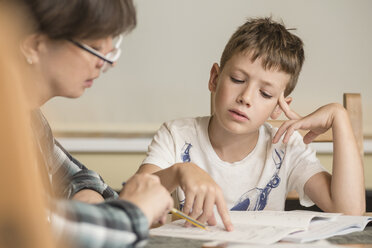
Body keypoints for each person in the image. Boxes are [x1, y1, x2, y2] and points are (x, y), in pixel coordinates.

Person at [137, 17, 365, 231]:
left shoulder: (286, 145)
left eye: (265, 94)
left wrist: (339, 116)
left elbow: (350, 212)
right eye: (237, 80)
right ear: (214, 78)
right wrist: (179, 171)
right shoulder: (176, 135)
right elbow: (134, 201)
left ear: (279, 107)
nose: (246, 97)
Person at [16, 0, 173, 247]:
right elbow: (34, 224)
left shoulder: (30, 120)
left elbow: (80, 177)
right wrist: (136, 211)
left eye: (110, 50)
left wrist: (85, 194)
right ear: (34, 46)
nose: (107, 63)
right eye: (94, 48)